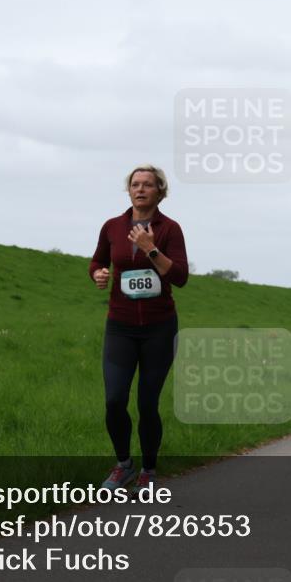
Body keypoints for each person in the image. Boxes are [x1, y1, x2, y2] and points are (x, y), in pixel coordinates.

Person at [89, 165, 188, 494]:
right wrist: (99, 274)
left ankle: (148, 470)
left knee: (147, 403)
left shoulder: (169, 229)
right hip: (120, 327)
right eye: (135, 184)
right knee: (115, 401)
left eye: (148, 184)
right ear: (128, 190)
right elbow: (97, 261)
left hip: (160, 329)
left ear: (161, 191)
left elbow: (180, 277)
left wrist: (150, 248)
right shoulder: (112, 227)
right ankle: (123, 466)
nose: (140, 189)